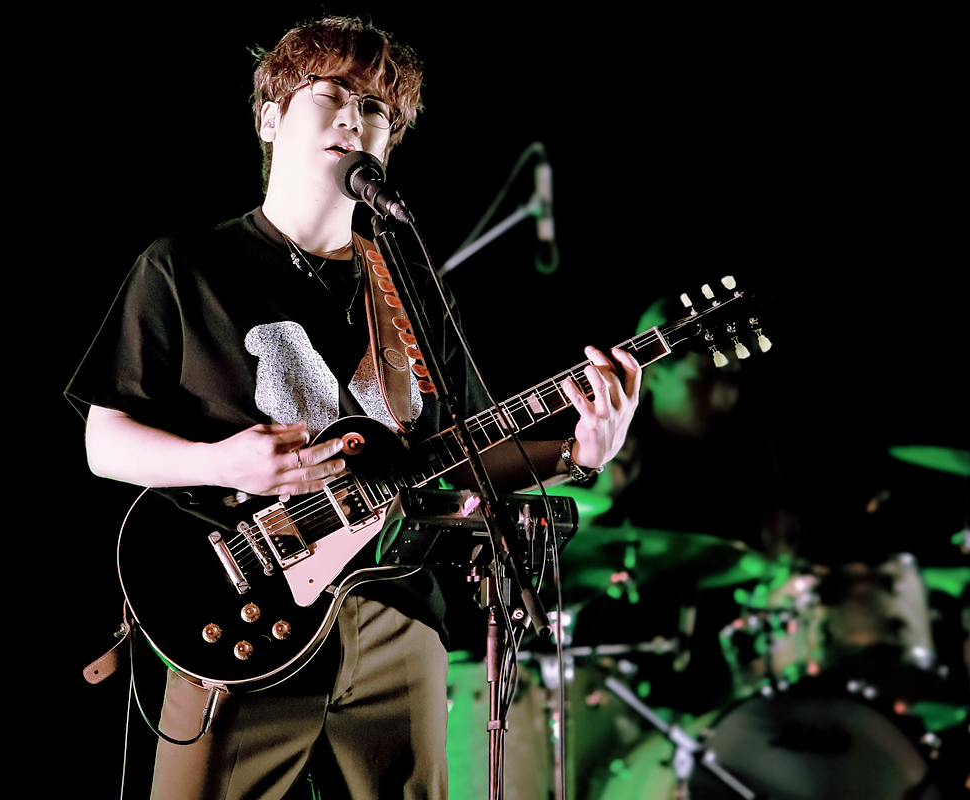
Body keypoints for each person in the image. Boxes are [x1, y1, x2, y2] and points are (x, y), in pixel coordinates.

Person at [65, 16, 640, 800]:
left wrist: (580, 452)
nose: (354, 118)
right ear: (270, 118)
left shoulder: (409, 287)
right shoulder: (184, 267)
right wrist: (221, 462)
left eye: (375, 109)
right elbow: (104, 441)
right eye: (330, 94)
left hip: (397, 612)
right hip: (243, 607)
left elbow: (465, 456)